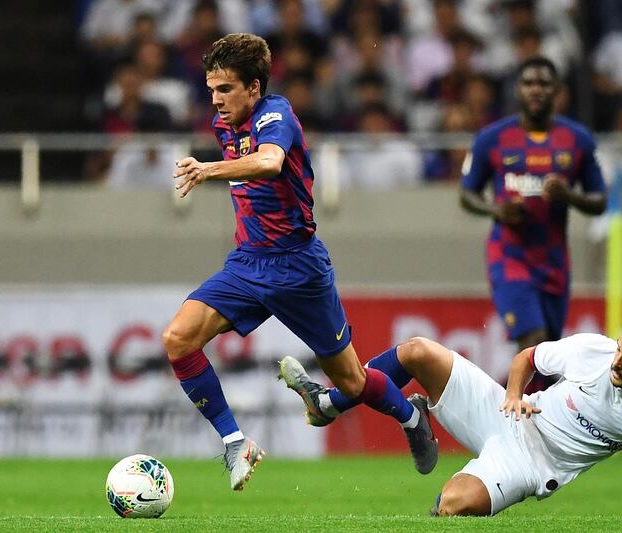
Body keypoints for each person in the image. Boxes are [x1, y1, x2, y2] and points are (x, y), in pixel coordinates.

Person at [167, 33, 437, 491]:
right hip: (247, 264)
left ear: (254, 87)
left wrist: (209, 169)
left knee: (352, 381)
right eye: (211, 89)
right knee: (177, 340)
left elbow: (270, 162)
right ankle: (235, 442)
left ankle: (412, 417)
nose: (215, 100)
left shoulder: (276, 115)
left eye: (225, 89)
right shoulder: (225, 123)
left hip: (298, 269)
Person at [279, 314, 622, 518]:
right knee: (418, 351)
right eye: (621, 349)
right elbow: (527, 357)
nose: (617, 362)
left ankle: (406, 417)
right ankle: (330, 405)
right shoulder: (594, 350)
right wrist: (511, 393)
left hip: (529, 465)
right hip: (508, 411)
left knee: (453, 506)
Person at [459, 56, 607, 393]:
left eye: (543, 83)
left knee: (547, 358)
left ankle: (530, 424)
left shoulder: (578, 140)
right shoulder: (492, 138)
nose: (536, 90)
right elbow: (467, 194)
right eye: (529, 83)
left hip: (554, 261)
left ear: (557, 91)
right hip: (509, 255)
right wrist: (496, 210)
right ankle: (508, 417)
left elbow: (599, 201)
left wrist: (568, 196)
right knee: (534, 339)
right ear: (518, 90)